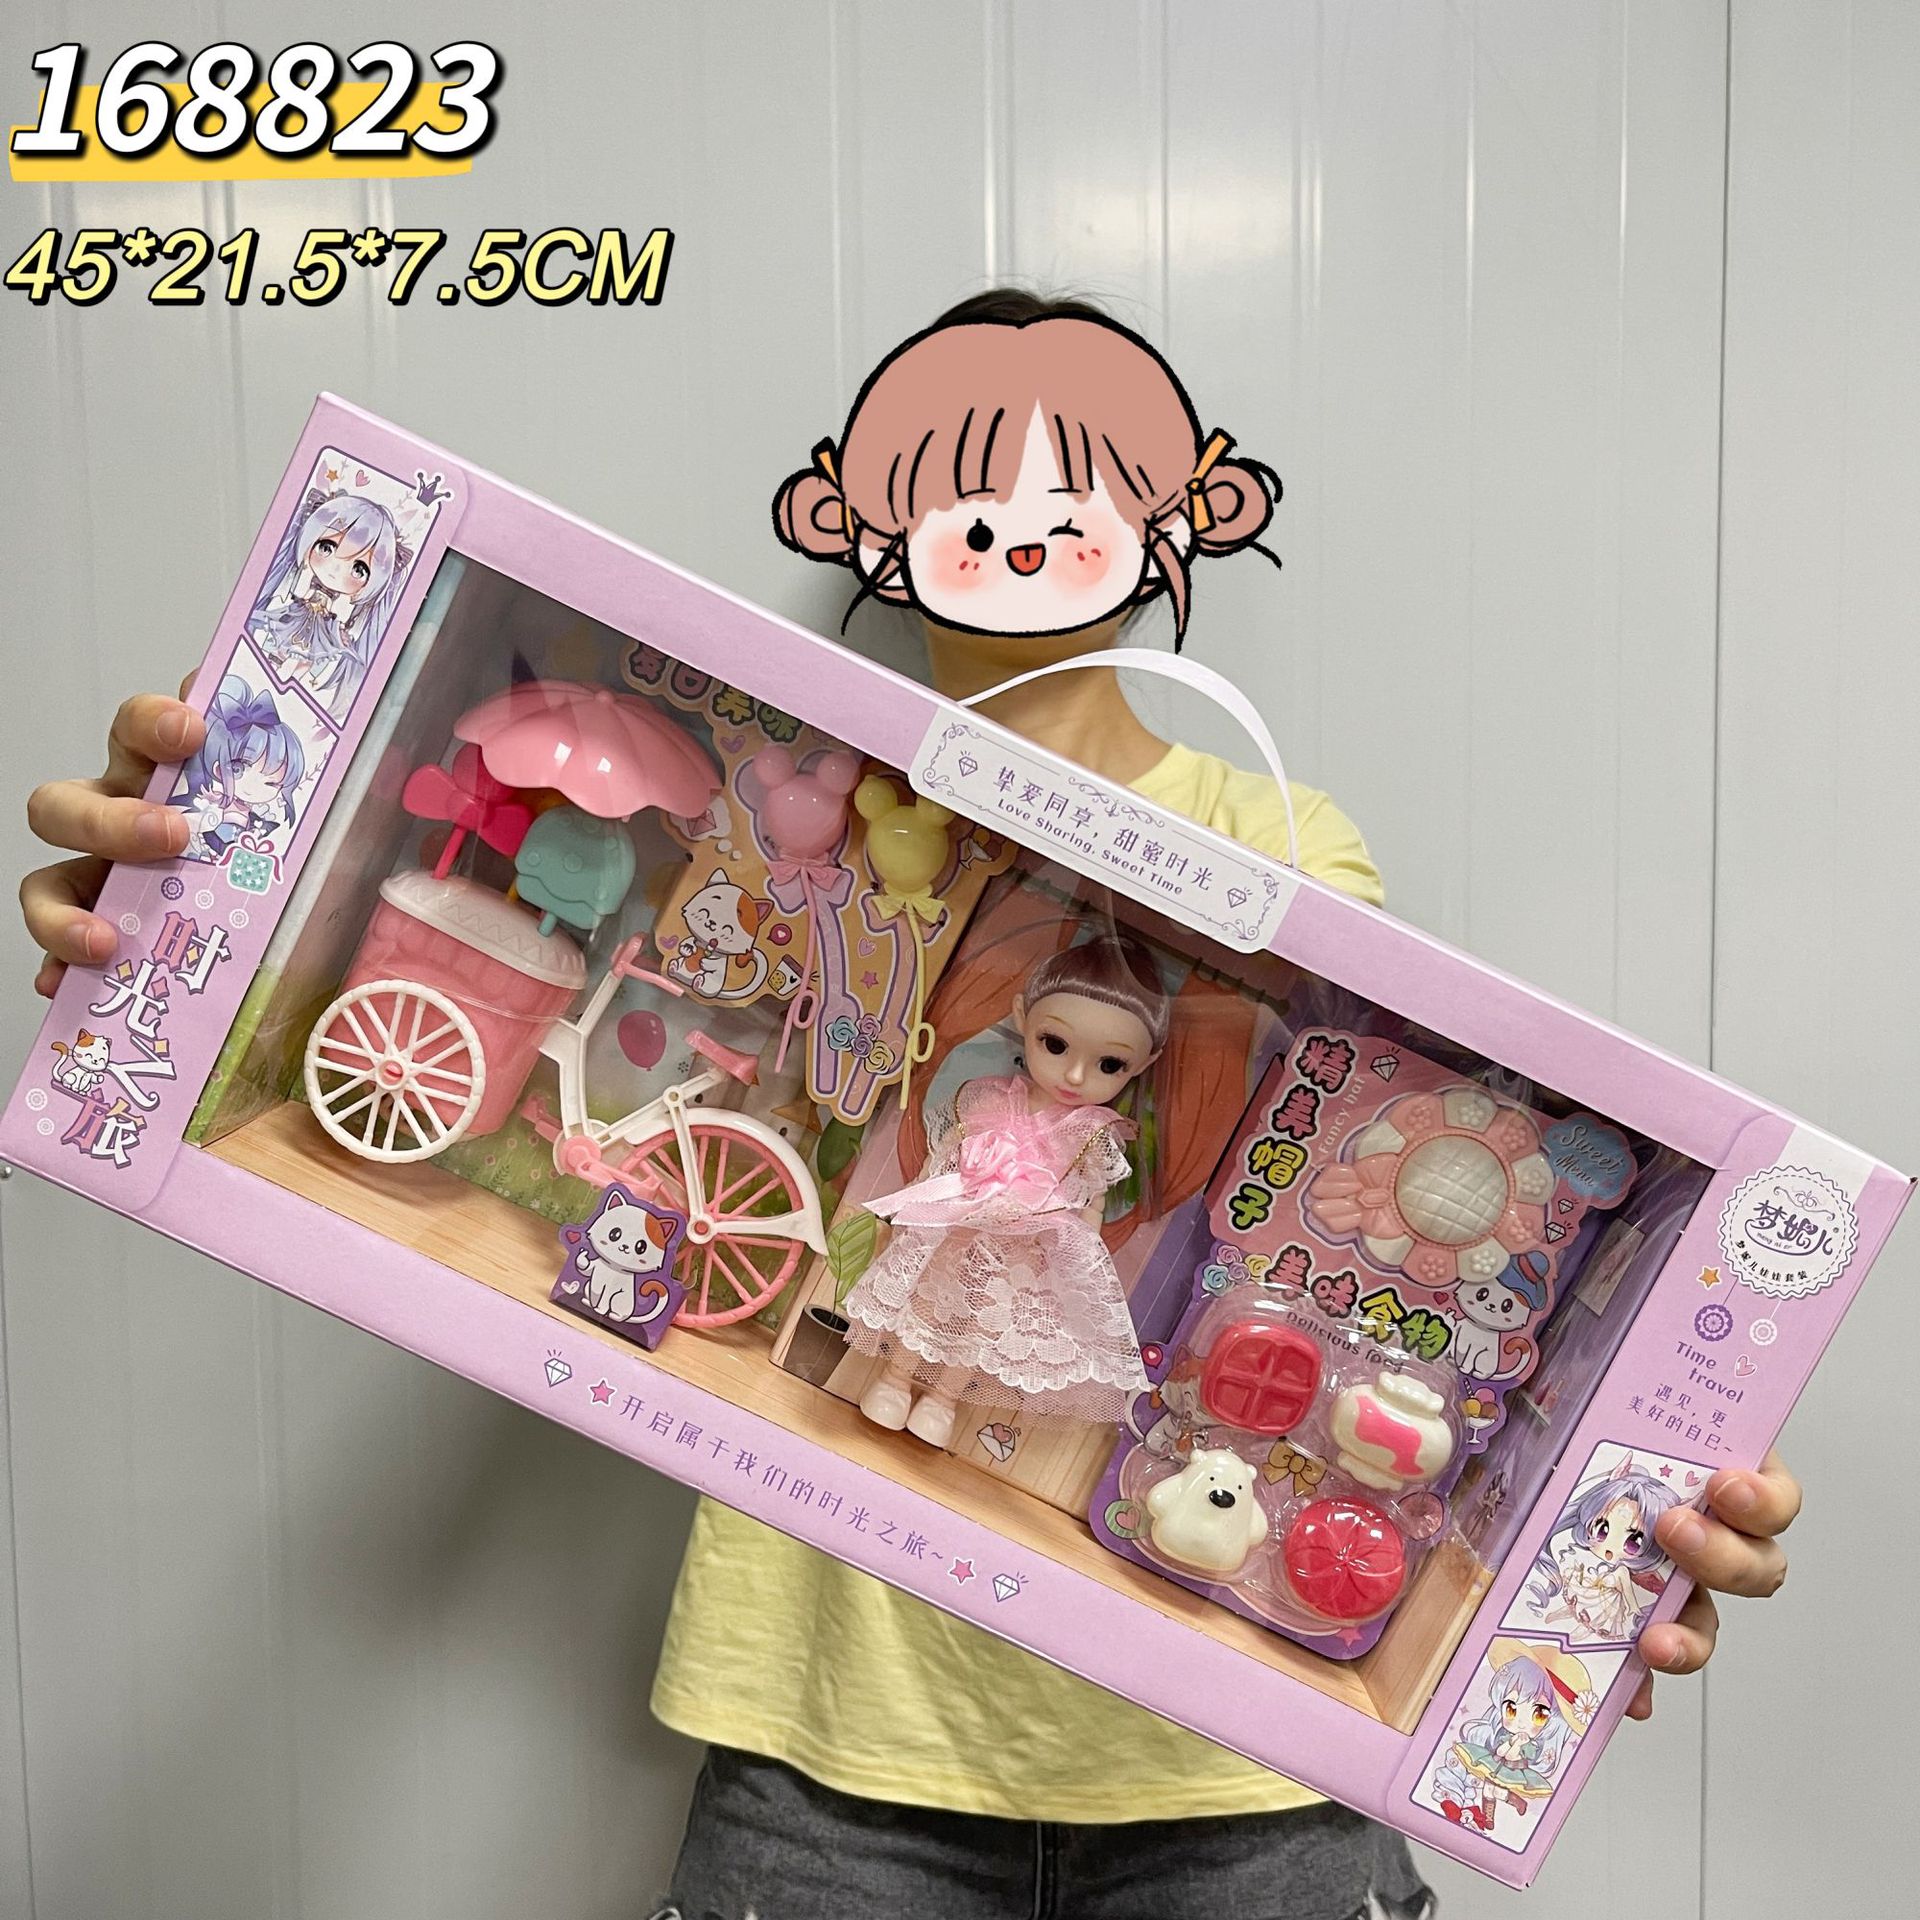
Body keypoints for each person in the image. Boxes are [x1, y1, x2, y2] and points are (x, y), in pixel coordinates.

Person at [20, 291, 1801, 1920]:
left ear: (1187, 512)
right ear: (856, 524)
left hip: (1236, 1761)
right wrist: (188, 910)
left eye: (1075, 488)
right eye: (961, 491)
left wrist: (1598, 1503)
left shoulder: (1282, 846)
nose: (1018, 534)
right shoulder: (788, 790)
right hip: (822, 1746)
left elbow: (1402, 1207)